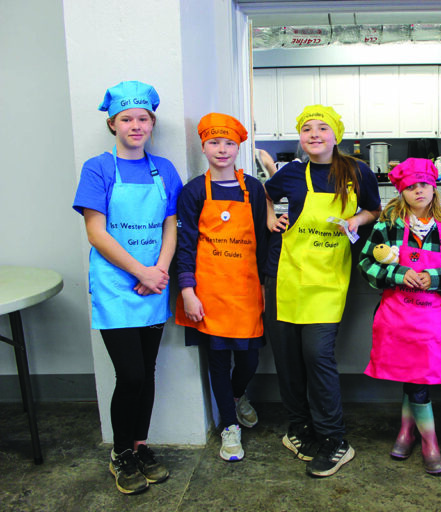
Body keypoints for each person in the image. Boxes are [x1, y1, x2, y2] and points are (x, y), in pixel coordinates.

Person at [72, 81, 182, 494]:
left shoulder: (165, 170)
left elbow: (170, 226)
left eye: (142, 118)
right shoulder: (97, 168)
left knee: (148, 373)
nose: (135, 125)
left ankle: (139, 446)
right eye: (126, 119)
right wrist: (141, 271)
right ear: (112, 123)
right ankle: (120, 453)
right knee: (131, 375)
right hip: (118, 286)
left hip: (154, 284)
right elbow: (96, 233)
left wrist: (159, 271)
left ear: (151, 122)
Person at [263, 105, 381, 478]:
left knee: (317, 356)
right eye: (307, 129)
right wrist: (270, 215)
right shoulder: (290, 174)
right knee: (288, 359)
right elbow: (267, 196)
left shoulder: (357, 171)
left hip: (328, 279)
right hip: (284, 275)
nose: (314, 135)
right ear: (300, 137)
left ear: (336, 135)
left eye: (322, 128)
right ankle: (298, 429)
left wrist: (355, 219)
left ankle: (334, 439)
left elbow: (374, 210)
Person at [359, 158, 441, 476]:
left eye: (423, 184)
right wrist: (397, 273)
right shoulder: (387, 225)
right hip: (396, 318)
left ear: (434, 187)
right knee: (413, 380)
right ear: (400, 191)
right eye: (410, 186)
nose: (418, 190)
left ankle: (419, 438)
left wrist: (434, 279)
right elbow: (367, 264)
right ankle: (421, 439)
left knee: (420, 380)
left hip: (430, 322)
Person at [175, 113, 268, 462]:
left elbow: (261, 235)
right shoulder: (194, 190)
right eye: (214, 142)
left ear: (238, 146)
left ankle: (235, 396)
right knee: (217, 359)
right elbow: (184, 244)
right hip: (209, 291)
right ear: (203, 146)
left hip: (245, 289)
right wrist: (187, 290)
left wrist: (264, 283)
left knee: (249, 357)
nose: (222, 149)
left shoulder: (253, 189)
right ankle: (229, 428)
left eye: (229, 142)